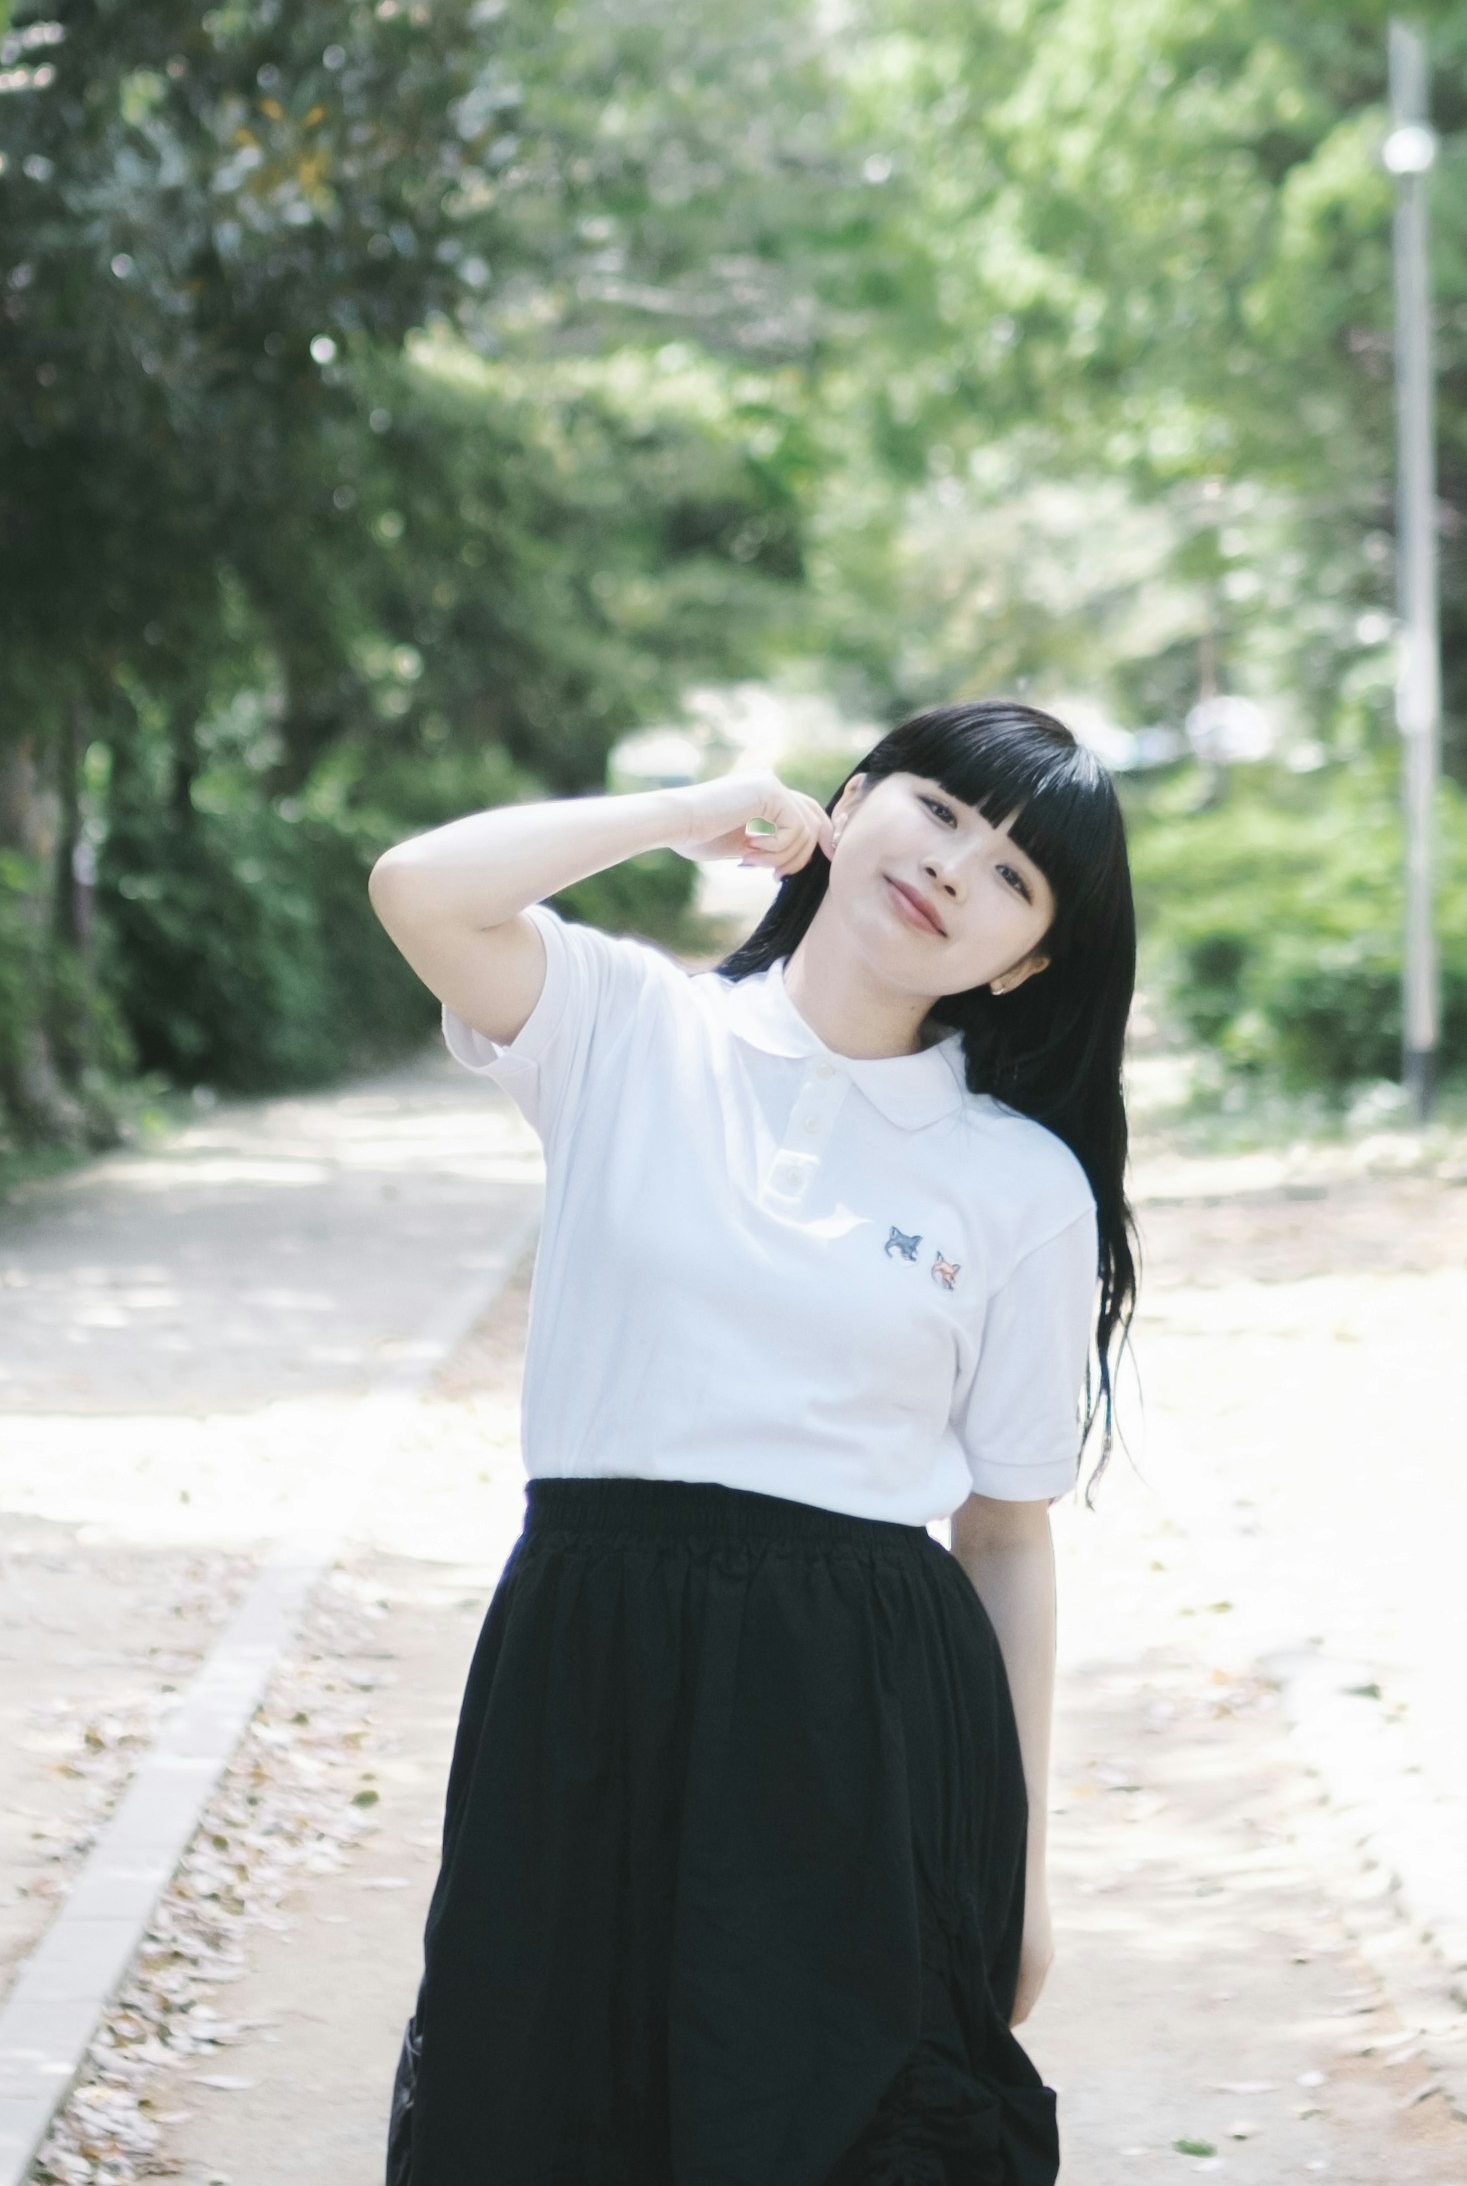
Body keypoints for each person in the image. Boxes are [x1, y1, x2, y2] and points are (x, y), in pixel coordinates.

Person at [367, 699, 1140, 2186]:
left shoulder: (1017, 1185)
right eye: (941, 810)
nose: (956, 868)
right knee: (544, 2118)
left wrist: (1025, 1871)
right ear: (853, 801)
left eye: (1015, 878)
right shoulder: (626, 1027)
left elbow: (1004, 1536)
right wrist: (692, 804)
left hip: (863, 1716)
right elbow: (421, 887)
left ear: (1026, 958)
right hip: (589, 1670)